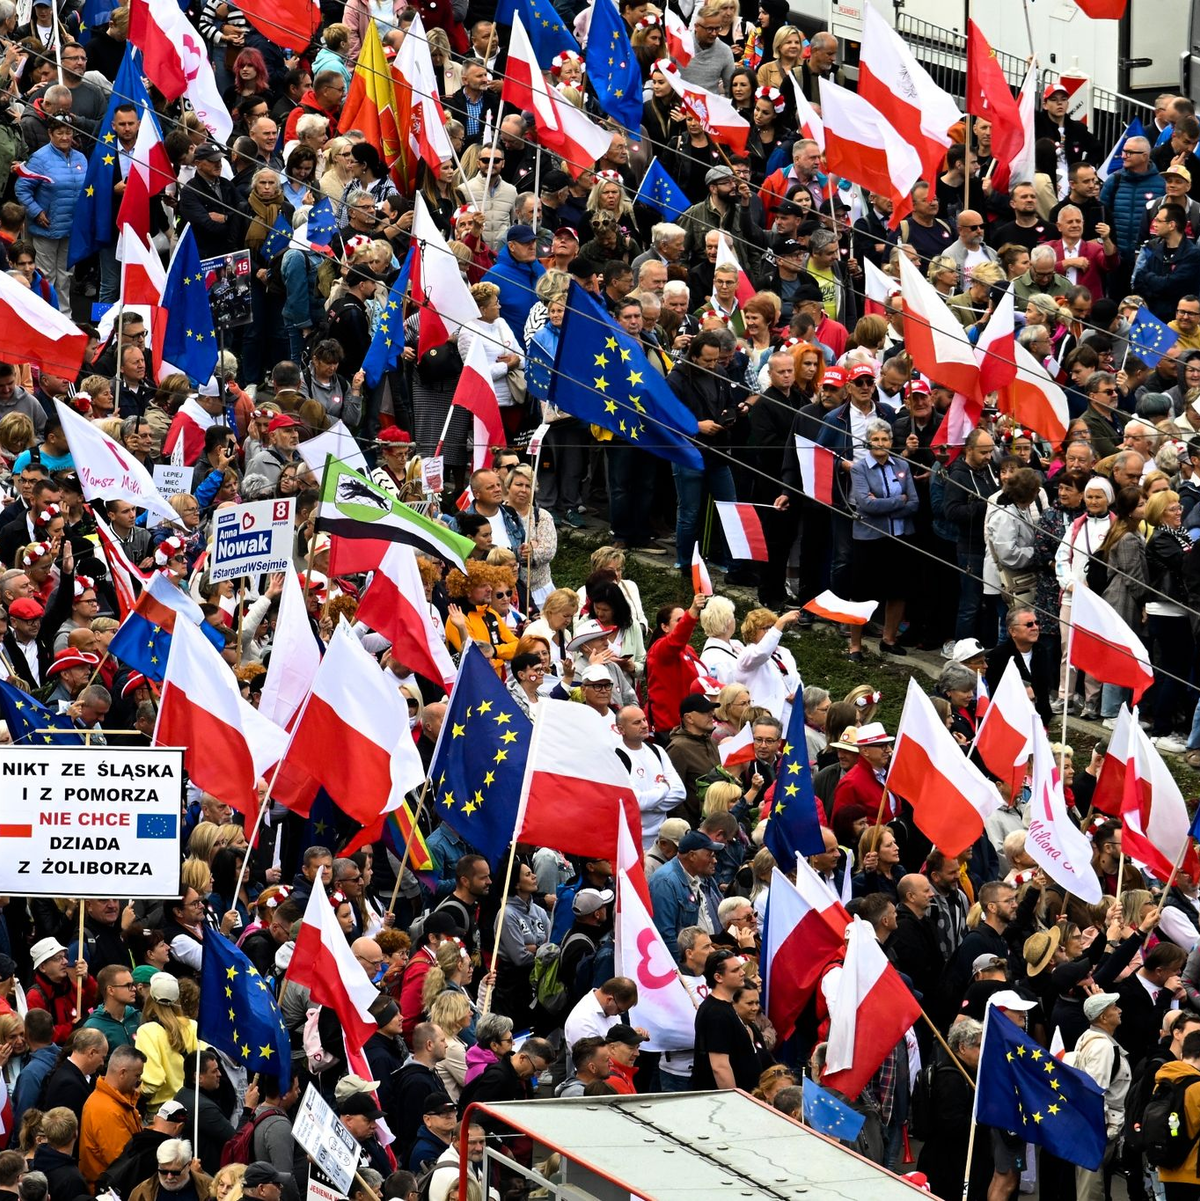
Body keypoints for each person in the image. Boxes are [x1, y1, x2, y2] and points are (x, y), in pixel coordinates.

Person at [692, 950, 759, 1091]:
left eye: (740, 968)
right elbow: (719, 1067)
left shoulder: (724, 1008)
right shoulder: (716, 1013)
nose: (742, 973)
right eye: (735, 970)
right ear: (718, 977)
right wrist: (734, 1103)